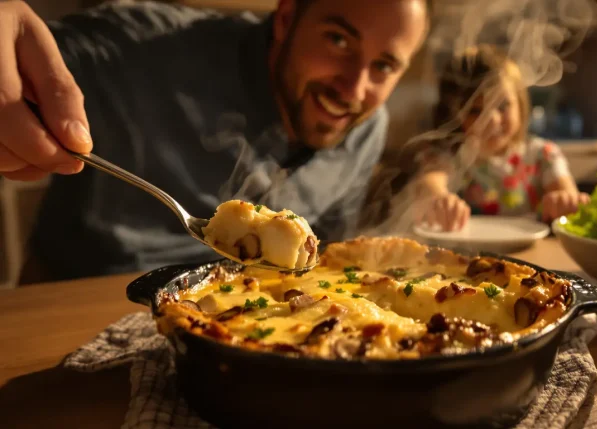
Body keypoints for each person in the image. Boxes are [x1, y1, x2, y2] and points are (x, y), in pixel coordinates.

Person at [0, 0, 431, 281]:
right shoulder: (144, 49)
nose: (354, 88)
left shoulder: (366, 130)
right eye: (338, 40)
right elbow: (21, 51)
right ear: (286, 19)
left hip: (242, 330)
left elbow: (324, 264)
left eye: (384, 66)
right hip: (76, 309)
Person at [367, 44, 589, 233]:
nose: (492, 120)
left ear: (521, 105)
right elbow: (430, 182)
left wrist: (566, 200)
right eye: (475, 110)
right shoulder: (448, 154)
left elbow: (565, 192)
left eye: (503, 106)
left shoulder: (543, 155)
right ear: (455, 115)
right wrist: (438, 199)